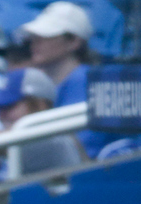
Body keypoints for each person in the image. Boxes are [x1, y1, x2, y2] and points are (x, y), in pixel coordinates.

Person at [20, 1, 109, 157]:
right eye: (34, 36)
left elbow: (83, 150)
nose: (35, 42)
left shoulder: (87, 81)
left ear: (74, 42)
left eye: (46, 35)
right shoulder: (41, 82)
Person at [0, 67, 84, 175]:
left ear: (39, 105)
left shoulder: (54, 139)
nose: (0, 115)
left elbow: (7, 146)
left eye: (9, 106)